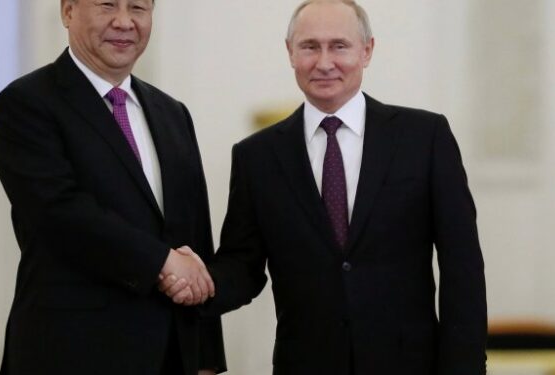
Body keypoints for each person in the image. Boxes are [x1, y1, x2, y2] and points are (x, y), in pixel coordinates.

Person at [161, 0, 487, 374]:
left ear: (367, 51)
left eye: (339, 46)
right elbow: (243, 265)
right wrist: (196, 283)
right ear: (290, 53)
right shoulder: (258, 156)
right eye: (310, 46)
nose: (324, 62)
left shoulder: (424, 138)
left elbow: (462, 267)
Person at [0, 0, 225, 374]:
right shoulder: (26, 103)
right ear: (68, 11)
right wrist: (162, 261)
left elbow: (195, 239)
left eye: (138, 8)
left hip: (170, 356)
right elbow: (59, 214)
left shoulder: (172, 113)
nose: (124, 22)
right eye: (107, 5)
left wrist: (207, 358)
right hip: (71, 352)